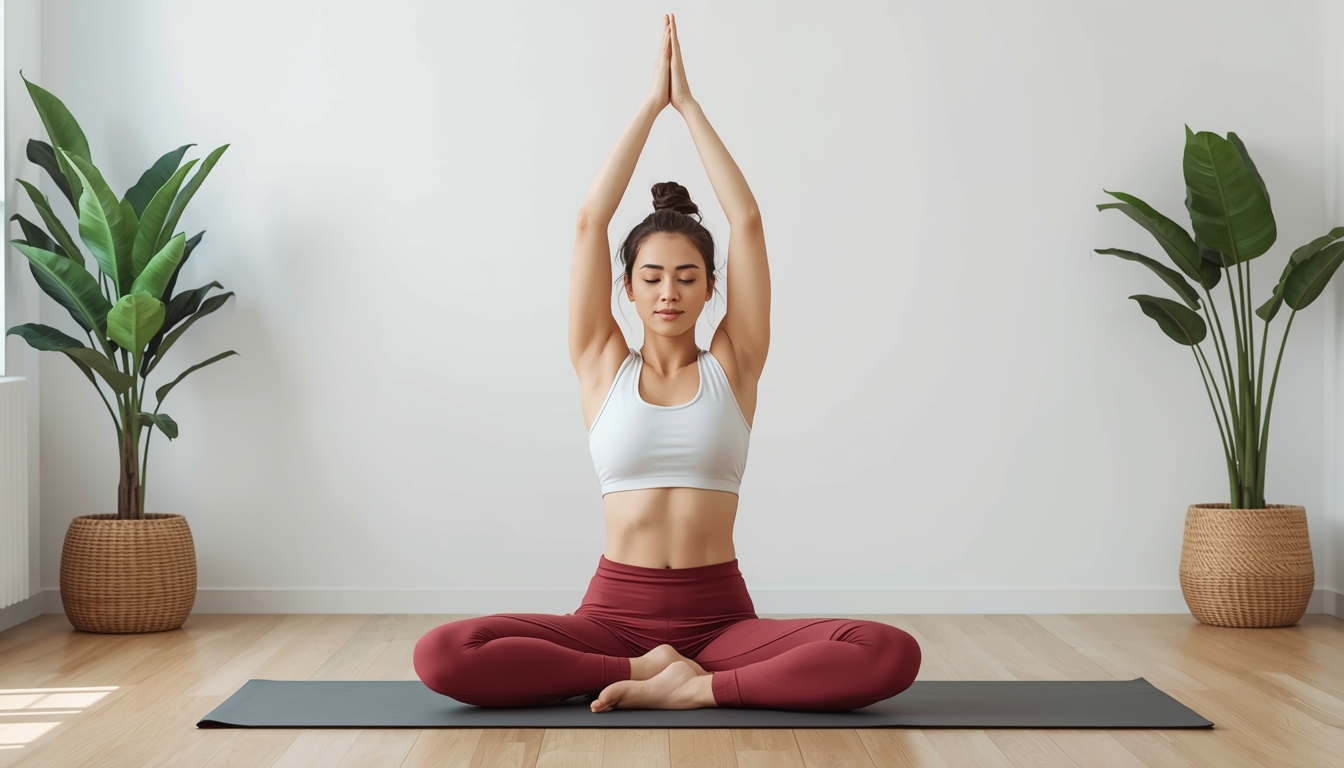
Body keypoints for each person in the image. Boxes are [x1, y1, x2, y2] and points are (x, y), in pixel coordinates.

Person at [413, 13, 921, 712]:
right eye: (651, 276)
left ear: (712, 286)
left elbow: (745, 222)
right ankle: (642, 668)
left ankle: (699, 687)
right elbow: (592, 221)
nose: (669, 291)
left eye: (687, 276)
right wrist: (652, 107)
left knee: (889, 652)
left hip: (721, 622)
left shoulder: (734, 364)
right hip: (613, 618)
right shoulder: (600, 364)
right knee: (442, 655)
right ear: (627, 289)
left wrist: (691, 108)